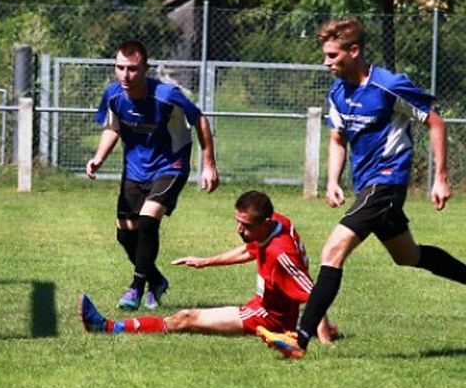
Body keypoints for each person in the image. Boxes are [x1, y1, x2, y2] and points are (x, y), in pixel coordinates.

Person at [259, 18, 466, 359]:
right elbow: (338, 138)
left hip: (386, 183)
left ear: (353, 51)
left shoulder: (389, 85)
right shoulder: (338, 91)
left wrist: (440, 177)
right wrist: (332, 180)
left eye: (332, 55)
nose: (326, 62)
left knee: (333, 251)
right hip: (366, 186)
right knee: (408, 256)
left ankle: (300, 338)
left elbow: (435, 121)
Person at [81, 190, 337, 344]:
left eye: (246, 226)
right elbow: (249, 250)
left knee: (186, 318)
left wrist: (320, 339)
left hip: (265, 317)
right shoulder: (276, 225)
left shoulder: (281, 253)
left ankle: (105, 327)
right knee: (187, 318)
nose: (240, 230)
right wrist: (206, 261)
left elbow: (315, 295)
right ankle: (308, 329)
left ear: (266, 223)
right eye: (238, 222)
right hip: (261, 307)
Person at [86, 39, 219, 311]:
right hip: (135, 171)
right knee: (125, 235)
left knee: (147, 221)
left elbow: (200, 119)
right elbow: (112, 128)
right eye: (120, 68)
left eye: (133, 69)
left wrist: (209, 163)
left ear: (146, 68)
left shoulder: (167, 95)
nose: (125, 74)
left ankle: (136, 288)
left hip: (171, 165)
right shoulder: (113, 95)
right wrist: (98, 158)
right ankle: (156, 280)